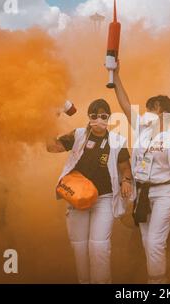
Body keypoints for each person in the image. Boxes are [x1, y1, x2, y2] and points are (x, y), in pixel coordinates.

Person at [112, 64, 170, 284]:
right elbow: (125, 104)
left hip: (165, 193)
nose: (145, 114)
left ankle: (157, 283)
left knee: (155, 242)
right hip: (143, 193)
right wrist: (115, 76)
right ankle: (158, 278)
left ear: (161, 111)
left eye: (150, 109)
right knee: (147, 241)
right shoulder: (143, 131)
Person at [46, 99, 133, 284]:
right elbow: (52, 147)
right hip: (78, 198)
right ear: (89, 117)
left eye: (103, 116)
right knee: (79, 248)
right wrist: (52, 119)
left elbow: (126, 168)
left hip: (104, 199)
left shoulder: (117, 141)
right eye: (94, 115)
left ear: (108, 117)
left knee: (99, 247)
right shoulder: (78, 135)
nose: (99, 119)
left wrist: (126, 180)